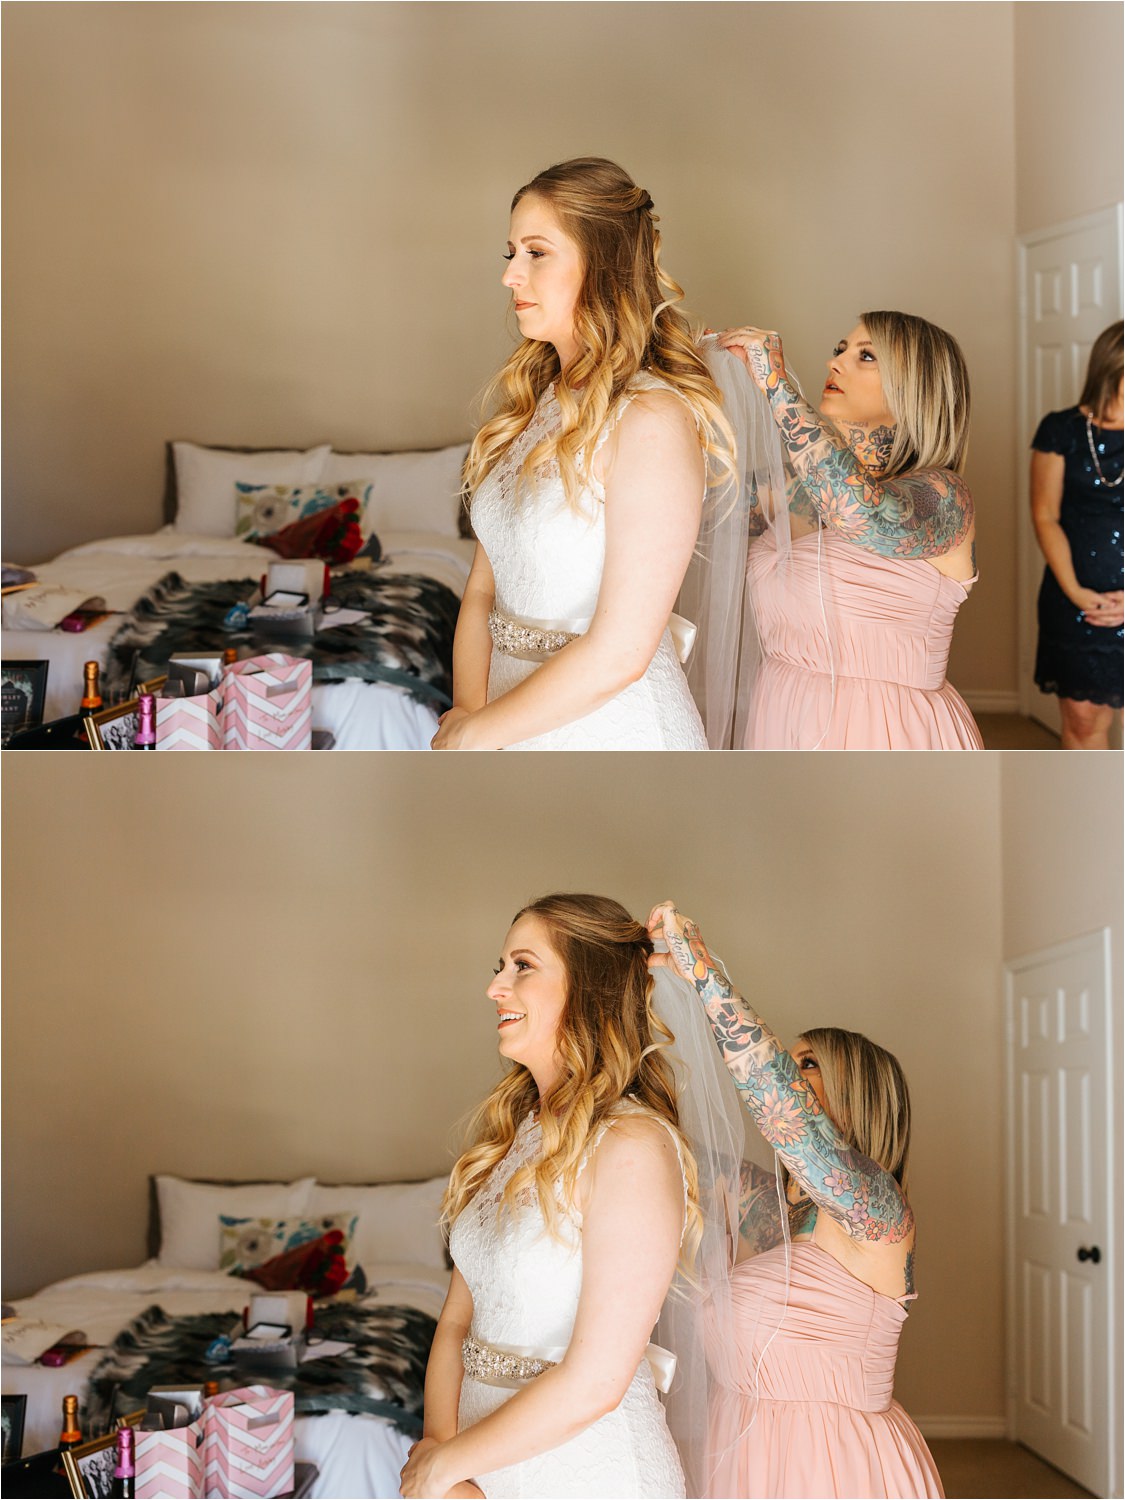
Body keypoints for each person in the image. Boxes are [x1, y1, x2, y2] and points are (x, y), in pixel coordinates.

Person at [399, 894, 699, 1498]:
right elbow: (458, 1320)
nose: (495, 988)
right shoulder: (513, 1135)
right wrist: (441, 1458)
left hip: (587, 1473)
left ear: (587, 989)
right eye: (499, 967)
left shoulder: (632, 1145)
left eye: (523, 966)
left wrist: (443, 1466)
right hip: (474, 1475)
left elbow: (597, 1381)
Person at [430, 158, 735, 751]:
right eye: (510, 253)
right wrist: (469, 716)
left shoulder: (651, 418)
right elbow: (481, 594)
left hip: (613, 735)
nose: (510, 276)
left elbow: (622, 651)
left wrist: (475, 736)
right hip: (502, 721)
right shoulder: (532, 406)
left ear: (603, 266)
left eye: (536, 253)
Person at [647, 900, 944, 1500]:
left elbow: (777, 1100)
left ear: (855, 1097)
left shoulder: (878, 1215)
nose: (787, 1067)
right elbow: (659, 1147)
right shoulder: (763, 1204)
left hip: (831, 1467)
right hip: (739, 1456)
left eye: (805, 1062)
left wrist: (704, 971)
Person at [717, 314, 983, 749]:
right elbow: (695, 504)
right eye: (841, 349)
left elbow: (862, 513)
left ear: (916, 387)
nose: (835, 362)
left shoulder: (946, 498)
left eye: (866, 356)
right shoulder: (795, 489)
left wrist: (775, 384)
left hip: (882, 729)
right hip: (783, 715)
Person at [1029, 320, 1124, 749]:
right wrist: (1076, 592)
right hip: (1075, 602)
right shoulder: (1061, 429)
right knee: (1085, 726)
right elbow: (1045, 515)